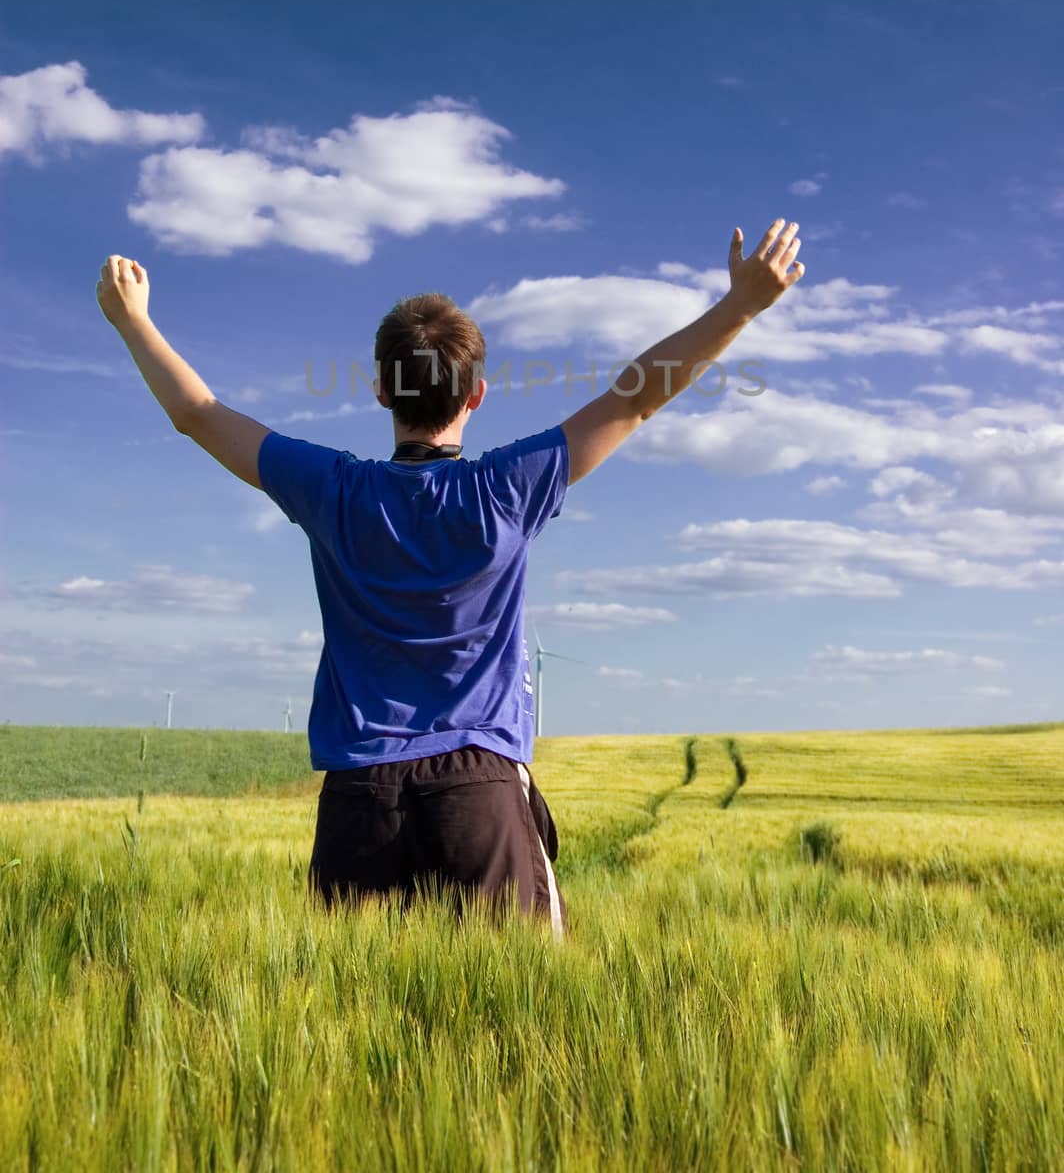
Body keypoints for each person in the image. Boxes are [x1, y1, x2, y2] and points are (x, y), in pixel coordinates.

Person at [97, 218, 804, 938]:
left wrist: (134, 322)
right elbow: (634, 400)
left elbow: (198, 414)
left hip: (359, 798)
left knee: (352, 1024)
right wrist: (740, 306)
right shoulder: (506, 487)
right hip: (480, 792)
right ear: (477, 395)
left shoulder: (331, 489)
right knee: (518, 1025)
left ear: (381, 391)